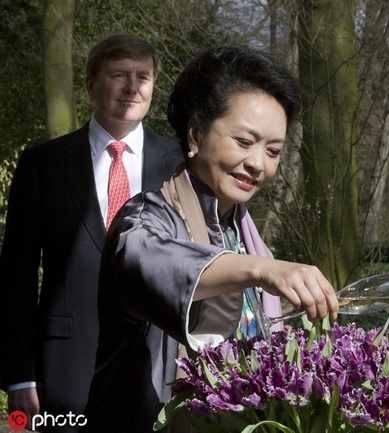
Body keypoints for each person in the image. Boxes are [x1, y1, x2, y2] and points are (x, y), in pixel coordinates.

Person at [81, 44, 339, 432]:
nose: (258, 163)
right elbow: (149, 261)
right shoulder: (143, 219)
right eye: (244, 141)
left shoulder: (247, 235)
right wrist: (262, 271)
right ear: (196, 132)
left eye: (273, 150)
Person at [0, 33, 183, 431]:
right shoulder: (42, 165)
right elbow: (16, 276)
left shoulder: (180, 165)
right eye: (119, 75)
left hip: (159, 368)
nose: (133, 88)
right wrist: (19, 374)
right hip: (65, 367)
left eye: (144, 77)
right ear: (90, 83)